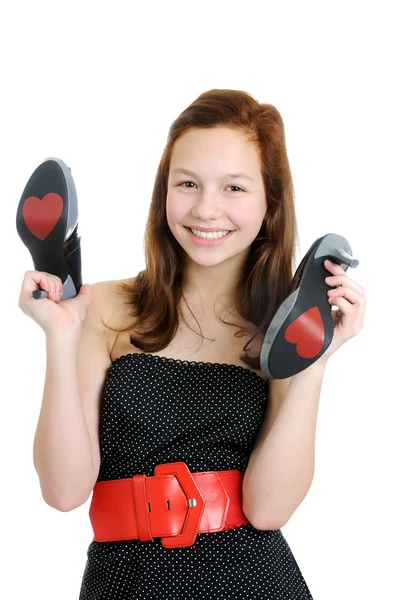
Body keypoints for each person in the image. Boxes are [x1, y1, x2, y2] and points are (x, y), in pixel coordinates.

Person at [18, 89, 366, 599]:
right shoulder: (104, 310)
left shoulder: (285, 331)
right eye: (187, 184)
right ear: (164, 194)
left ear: (270, 204)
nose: (206, 209)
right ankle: (60, 258)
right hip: (124, 582)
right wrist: (60, 336)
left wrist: (315, 359)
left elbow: (269, 509)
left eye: (234, 188)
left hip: (252, 581)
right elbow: (64, 490)